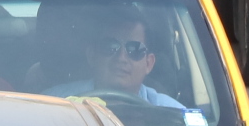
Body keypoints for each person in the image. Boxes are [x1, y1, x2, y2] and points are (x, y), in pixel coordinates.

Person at [40, 9, 185, 110]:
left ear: (149, 63)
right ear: (91, 55)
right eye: (110, 46)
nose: (121, 57)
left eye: (134, 49)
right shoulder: (55, 104)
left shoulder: (171, 114)